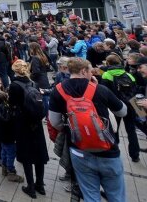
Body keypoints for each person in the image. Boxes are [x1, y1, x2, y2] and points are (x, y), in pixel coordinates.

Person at [49, 58, 128, 202]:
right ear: (84, 71)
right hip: (107, 150)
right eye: (91, 70)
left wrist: (72, 130)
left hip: (78, 149)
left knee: (90, 195)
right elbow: (122, 112)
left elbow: (54, 121)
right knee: (116, 195)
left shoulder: (58, 91)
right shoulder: (100, 89)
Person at [9, 60, 49, 198]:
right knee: (38, 154)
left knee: (27, 156)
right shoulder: (33, 83)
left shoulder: (14, 86)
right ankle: (40, 184)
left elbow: (12, 105)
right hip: (36, 123)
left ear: (15, 70)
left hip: (23, 123)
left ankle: (30, 187)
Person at [100, 54, 141, 162]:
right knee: (131, 130)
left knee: (114, 128)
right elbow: (134, 92)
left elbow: (104, 93)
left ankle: (114, 150)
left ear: (108, 63)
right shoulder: (129, 75)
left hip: (115, 106)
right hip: (130, 105)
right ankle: (135, 155)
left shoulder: (106, 75)